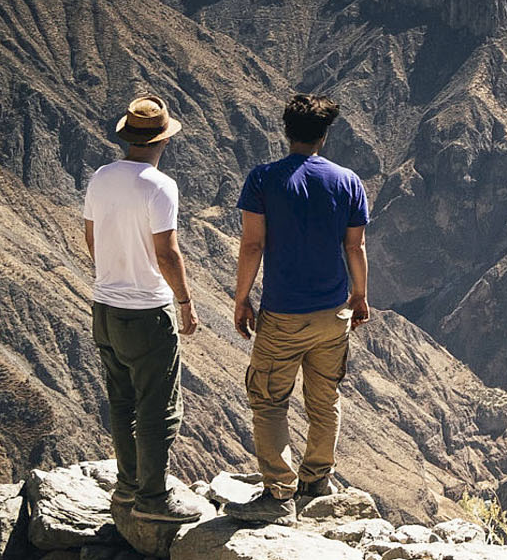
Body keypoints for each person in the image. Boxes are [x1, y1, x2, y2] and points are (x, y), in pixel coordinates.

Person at [224, 94, 372, 525]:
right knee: (325, 399)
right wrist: (360, 296)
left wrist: (241, 298)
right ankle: (316, 480)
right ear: (324, 135)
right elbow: (355, 246)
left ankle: (278, 492)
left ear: (286, 131)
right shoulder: (348, 181)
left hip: (282, 315)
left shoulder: (263, 179)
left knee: (269, 402)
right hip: (332, 314)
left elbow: (252, 244)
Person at [84, 95, 203, 523]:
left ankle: (127, 486)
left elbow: (91, 238)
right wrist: (186, 303)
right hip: (148, 313)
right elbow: (168, 253)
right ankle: (153, 498)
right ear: (163, 141)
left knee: (122, 401)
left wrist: (113, 273)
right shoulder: (159, 186)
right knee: (159, 406)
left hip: (104, 307)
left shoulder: (101, 177)